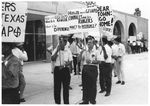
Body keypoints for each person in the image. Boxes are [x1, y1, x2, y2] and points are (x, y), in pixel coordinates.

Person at [51, 37, 73, 104]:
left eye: (61, 42)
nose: (60, 43)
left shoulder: (68, 51)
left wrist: (64, 66)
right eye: (59, 42)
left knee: (65, 87)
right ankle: (57, 102)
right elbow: (52, 58)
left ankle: (66, 102)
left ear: (65, 43)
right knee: (57, 87)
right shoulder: (55, 50)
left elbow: (70, 61)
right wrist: (57, 51)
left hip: (65, 69)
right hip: (57, 70)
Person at [79, 36, 101, 104]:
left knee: (92, 85)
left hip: (93, 69)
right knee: (85, 85)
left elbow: (99, 61)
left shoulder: (96, 52)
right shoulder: (84, 52)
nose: (89, 44)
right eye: (88, 42)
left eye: (90, 42)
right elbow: (80, 60)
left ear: (93, 43)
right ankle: (85, 100)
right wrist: (80, 53)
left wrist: (91, 61)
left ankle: (92, 99)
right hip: (85, 68)